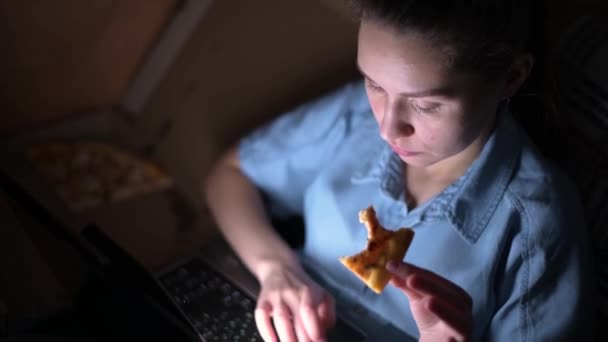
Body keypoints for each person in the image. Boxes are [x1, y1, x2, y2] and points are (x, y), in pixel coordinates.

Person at [203, 0, 594, 341]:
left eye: (426, 106)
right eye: (373, 83)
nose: (387, 127)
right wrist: (276, 269)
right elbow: (230, 174)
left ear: (510, 77)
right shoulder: (355, 114)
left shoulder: (537, 228)